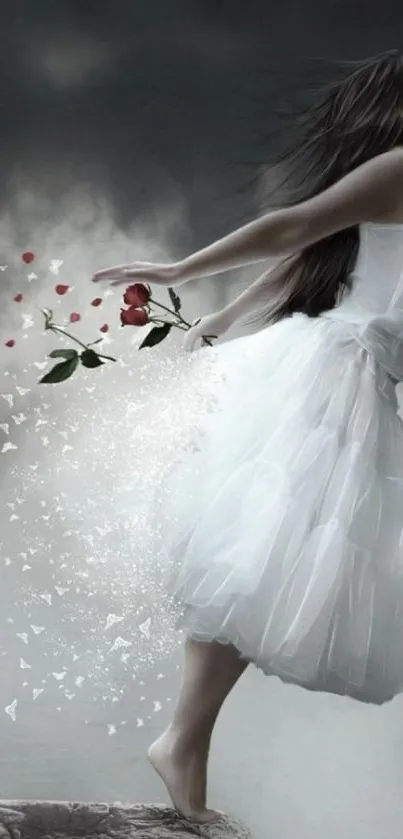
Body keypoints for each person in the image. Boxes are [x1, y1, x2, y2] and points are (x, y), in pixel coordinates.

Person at [92, 50, 403, 823]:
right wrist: (181, 270)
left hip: (369, 378)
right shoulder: (399, 165)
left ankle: (183, 740)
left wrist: (224, 318)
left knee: (265, 562)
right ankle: (184, 740)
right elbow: (295, 228)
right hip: (332, 374)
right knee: (260, 555)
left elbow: (314, 246)